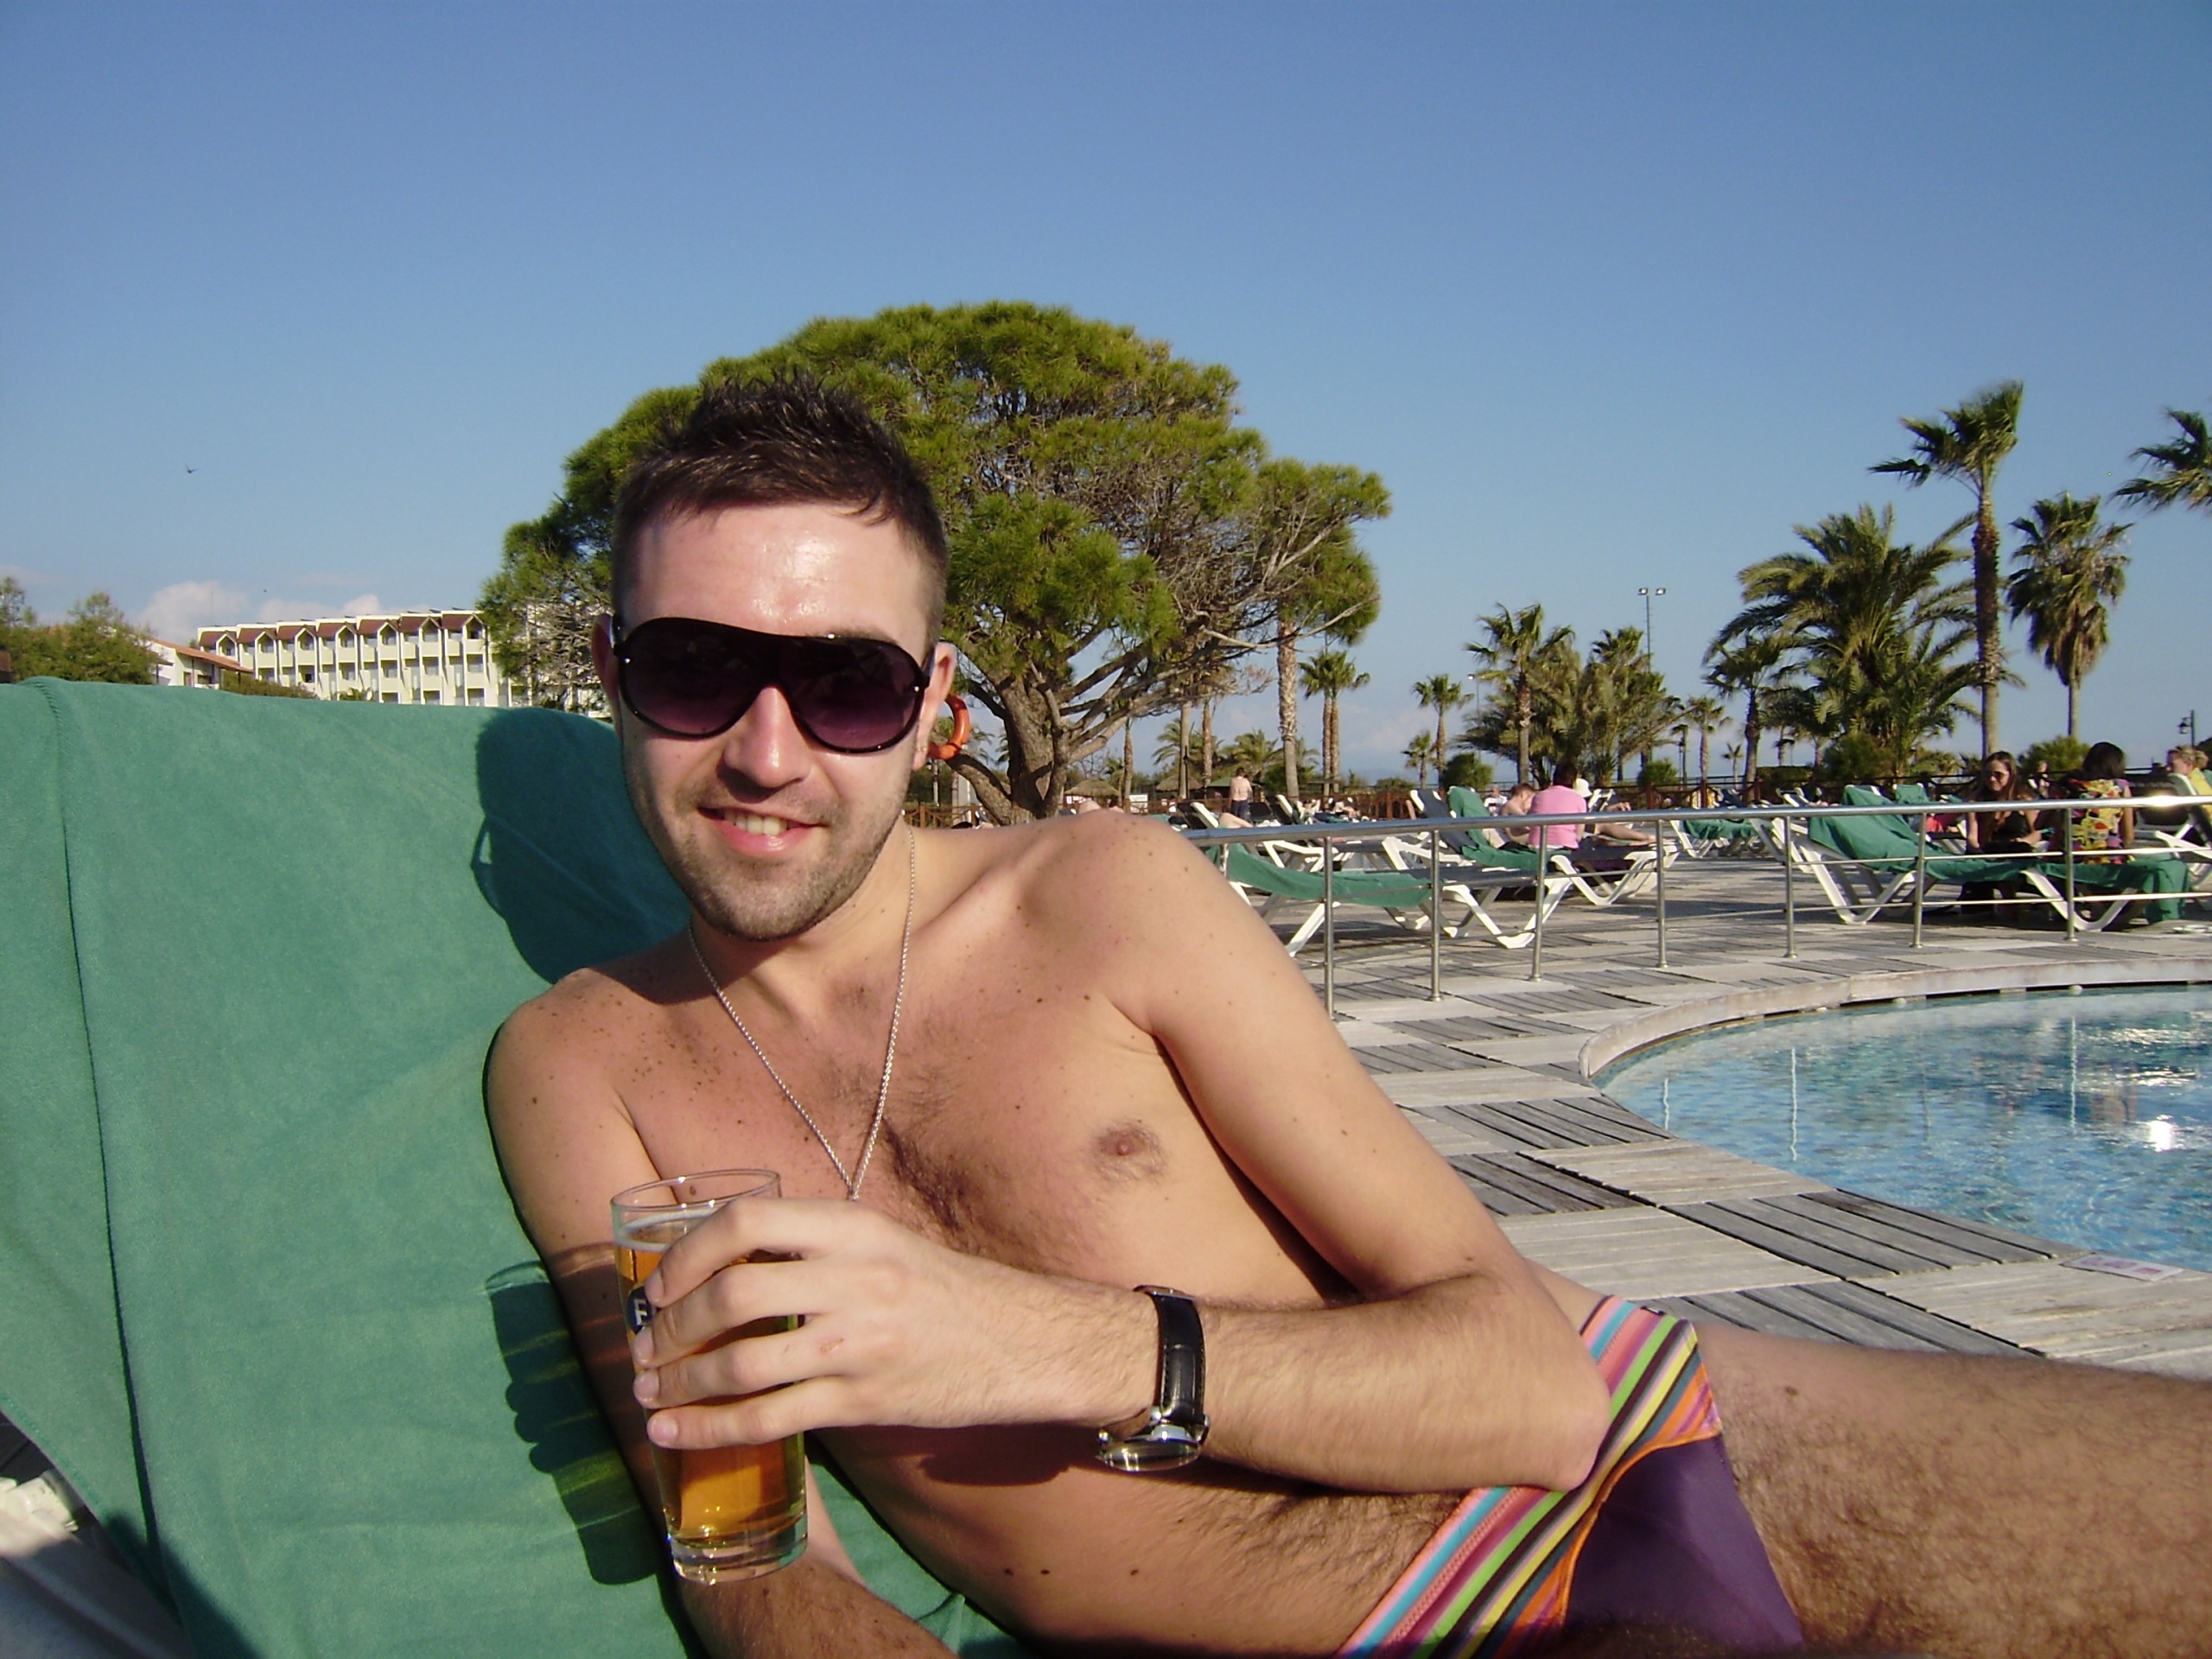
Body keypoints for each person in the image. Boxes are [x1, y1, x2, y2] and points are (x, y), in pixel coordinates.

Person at [489, 378, 2212, 1659]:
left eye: (846, 683)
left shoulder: (1103, 894)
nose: (768, 751)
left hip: (1671, 1447)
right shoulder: (581, 1066)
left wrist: (1025, 1339)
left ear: (935, 706)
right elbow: (747, 1554)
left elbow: (1530, 1385)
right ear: (610, 670)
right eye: (694, 668)